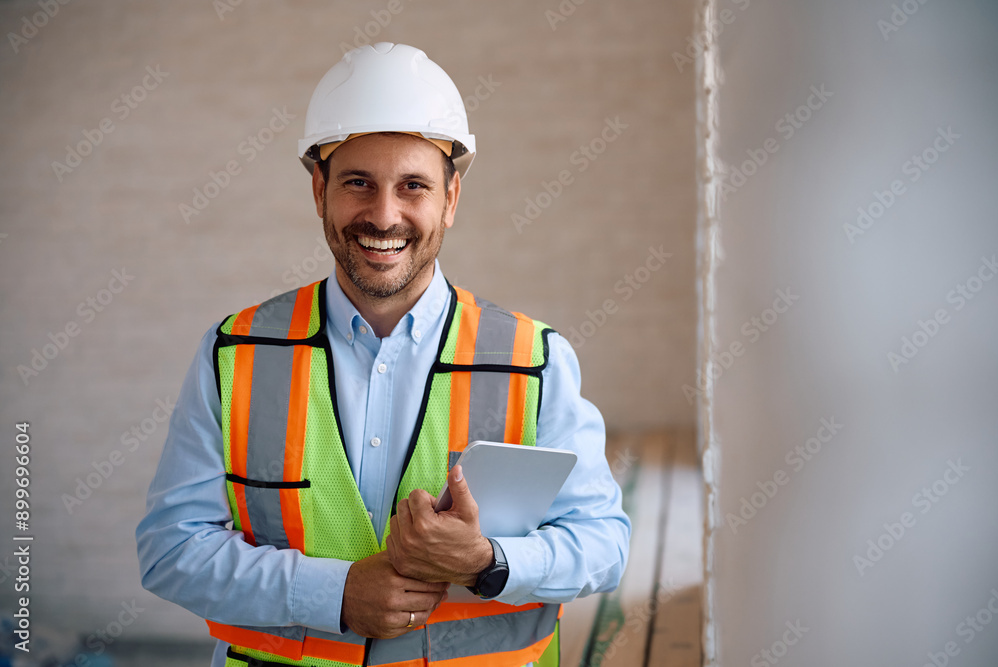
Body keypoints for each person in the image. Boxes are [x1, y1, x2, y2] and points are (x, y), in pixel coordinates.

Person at [136, 42, 630, 667]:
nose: (384, 215)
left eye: (413, 186)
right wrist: (333, 593)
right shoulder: (235, 353)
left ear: (451, 199)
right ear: (319, 189)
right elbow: (169, 551)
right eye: (358, 183)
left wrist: (486, 561)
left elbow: (604, 546)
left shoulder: (534, 360)